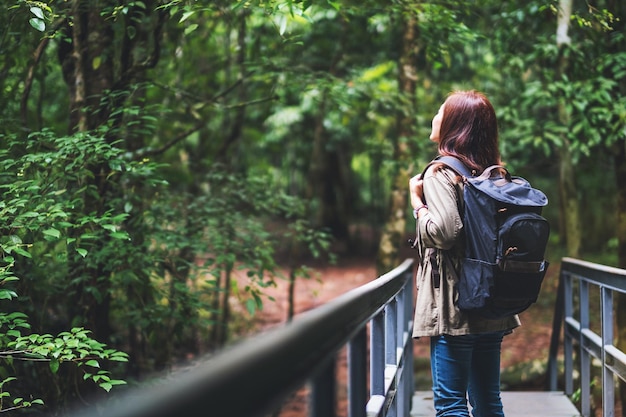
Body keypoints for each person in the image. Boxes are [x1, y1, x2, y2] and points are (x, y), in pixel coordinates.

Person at [408, 90, 520, 417]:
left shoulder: (441, 173)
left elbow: (445, 232)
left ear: (457, 124)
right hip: (493, 300)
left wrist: (417, 204)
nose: (435, 117)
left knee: (451, 405)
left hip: (456, 306)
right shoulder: (494, 173)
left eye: (440, 112)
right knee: (488, 402)